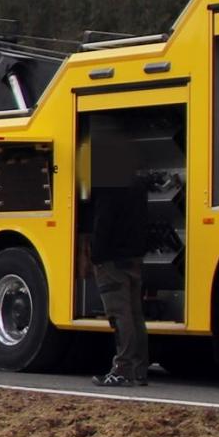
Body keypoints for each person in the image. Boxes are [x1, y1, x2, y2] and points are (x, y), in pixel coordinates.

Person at [86, 137, 149, 387]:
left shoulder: (109, 188)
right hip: (133, 256)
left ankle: (122, 368)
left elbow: (103, 223)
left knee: (119, 314)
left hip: (111, 258)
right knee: (135, 314)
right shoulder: (138, 185)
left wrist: (96, 255)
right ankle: (139, 368)